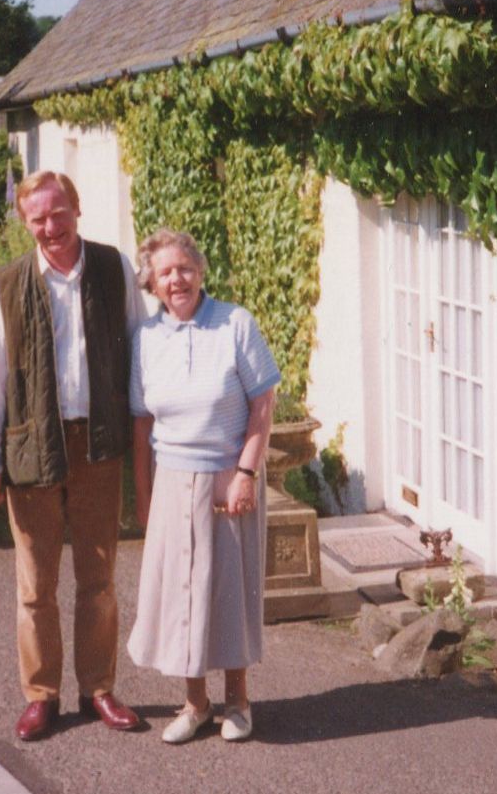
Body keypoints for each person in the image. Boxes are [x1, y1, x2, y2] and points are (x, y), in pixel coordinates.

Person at [0, 170, 148, 741]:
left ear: (76, 208)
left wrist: (147, 429)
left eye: (58, 213)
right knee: (35, 584)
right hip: (33, 446)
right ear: (26, 223)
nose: (50, 227)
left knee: (98, 578)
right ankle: (41, 695)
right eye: (37, 219)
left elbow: (139, 346)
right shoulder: (6, 285)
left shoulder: (113, 267)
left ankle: (98, 688)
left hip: (98, 442)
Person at [125, 228, 279, 744]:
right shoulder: (146, 339)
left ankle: (238, 702)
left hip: (226, 478)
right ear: (151, 282)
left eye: (184, 268)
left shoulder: (235, 323)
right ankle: (194, 704)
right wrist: (144, 499)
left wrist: (246, 473)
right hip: (172, 478)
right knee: (181, 598)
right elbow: (142, 424)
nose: (176, 279)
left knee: (229, 591)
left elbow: (264, 403)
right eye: (165, 272)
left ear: (200, 271)